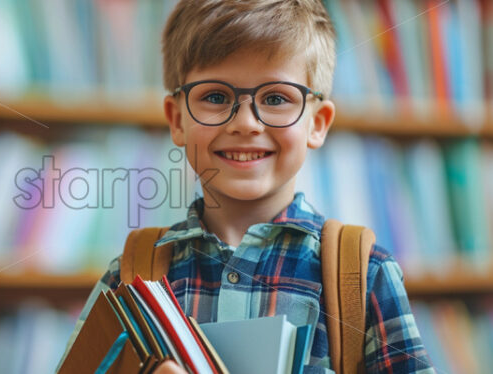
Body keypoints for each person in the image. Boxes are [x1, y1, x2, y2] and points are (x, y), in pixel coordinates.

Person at [58, 0, 434, 372]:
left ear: (317, 122)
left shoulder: (365, 275)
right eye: (216, 97)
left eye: (275, 98)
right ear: (176, 120)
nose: (246, 124)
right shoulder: (129, 276)